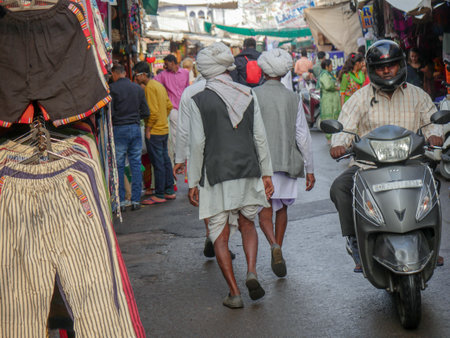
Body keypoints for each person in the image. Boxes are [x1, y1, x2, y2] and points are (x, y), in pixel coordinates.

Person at [329, 40, 444, 272]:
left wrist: (435, 136)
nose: (386, 71)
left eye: (391, 66)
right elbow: (345, 127)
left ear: (399, 65)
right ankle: (354, 240)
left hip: (411, 161)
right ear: (372, 70)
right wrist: (339, 144)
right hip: (369, 165)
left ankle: (430, 242)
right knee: (340, 187)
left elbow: (431, 121)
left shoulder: (417, 95)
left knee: (432, 184)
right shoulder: (360, 98)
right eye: (381, 67)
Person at [187, 42, 274, 308]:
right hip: (248, 170)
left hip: (215, 175)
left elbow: (198, 144)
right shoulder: (248, 94)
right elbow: (259, 136)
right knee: (248, 224)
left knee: (220, 235)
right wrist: (267, 173)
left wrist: (193, 182)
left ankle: (234, 293)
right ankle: (251, 272)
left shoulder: (197, 100)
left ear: (205, 71)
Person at [254, 48, 316, 278]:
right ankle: (278, 246)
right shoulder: (293, 97)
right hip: (288, 161)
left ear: (263, 70)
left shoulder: (254, 95)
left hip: (263, 164)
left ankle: (273, 245)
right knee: (283, 208)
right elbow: (303, 135)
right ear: (283, 73)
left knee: (265, 209)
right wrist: (310, 169)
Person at [133, 61, 176, 204]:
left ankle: (159, 194)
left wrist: (149, 128)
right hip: (163, 128)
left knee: (158, 163)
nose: (136, 78)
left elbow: (153, 112)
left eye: (137, 75)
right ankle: (169, 190)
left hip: (155, 131)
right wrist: (163, 118)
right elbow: (168, 106)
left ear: (143, 74)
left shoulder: (150, 88)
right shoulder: (159, 85)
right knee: (165, 161)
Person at [109, 64, 150, 211]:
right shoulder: (137, 88)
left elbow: (110, 114)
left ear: (114, 74)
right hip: (134, 127)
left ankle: (121, 201)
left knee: (119, 165)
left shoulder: (112, 90)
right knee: (135, 163)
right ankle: (136, 200)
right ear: (125, 73)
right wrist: (135, 117)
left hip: (119, 128)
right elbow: (146, 112)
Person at [154, 54, 190, 159]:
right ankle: (177, 157)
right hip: (173, 108)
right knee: (174, 134)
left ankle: (185, 155)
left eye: (166, 64)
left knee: (185, 131)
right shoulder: (163, 75)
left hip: (185, 106)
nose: (165, 66)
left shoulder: (185, 73)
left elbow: (187, 88)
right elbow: (153, 82)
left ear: (173, 63)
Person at [319, 59, 341, 143]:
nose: (332, 67)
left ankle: (334, 136)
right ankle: (329, 137)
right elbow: (328, 86)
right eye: (331, 65)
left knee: (334, 116)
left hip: (333, 100)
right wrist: (335, 87)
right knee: (329, 118)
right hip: (328, 101)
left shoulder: (329, 74)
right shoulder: (324, 75)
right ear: (327, 66)